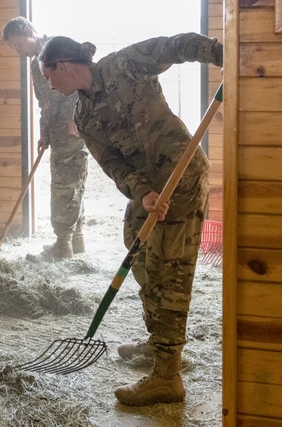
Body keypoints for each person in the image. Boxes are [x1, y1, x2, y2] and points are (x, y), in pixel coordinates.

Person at [37, 32, 223, 406]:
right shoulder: (83, 116)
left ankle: (168, 375)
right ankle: (159, 343)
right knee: (138, 255)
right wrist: (142, 193)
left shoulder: (124, 65)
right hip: (150, 191)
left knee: (170, 272)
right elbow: (114, 165)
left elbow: (175, 46)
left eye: (48, 77)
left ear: (62, 66)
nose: (50, 87)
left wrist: (222, 55)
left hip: (181, 178)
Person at [1, 17, 89, 259]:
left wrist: (77, 116)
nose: (19, 52)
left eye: (19, 45)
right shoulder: (34, 66)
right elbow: (44, 102)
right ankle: (76, 239)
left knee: (64, 185)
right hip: (57, 130)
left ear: (30, 31)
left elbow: (83, 84)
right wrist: (44, 132)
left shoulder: (60, 49)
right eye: (14, 49)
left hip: (73, 128)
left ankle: (62, 245)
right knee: (74, 181)